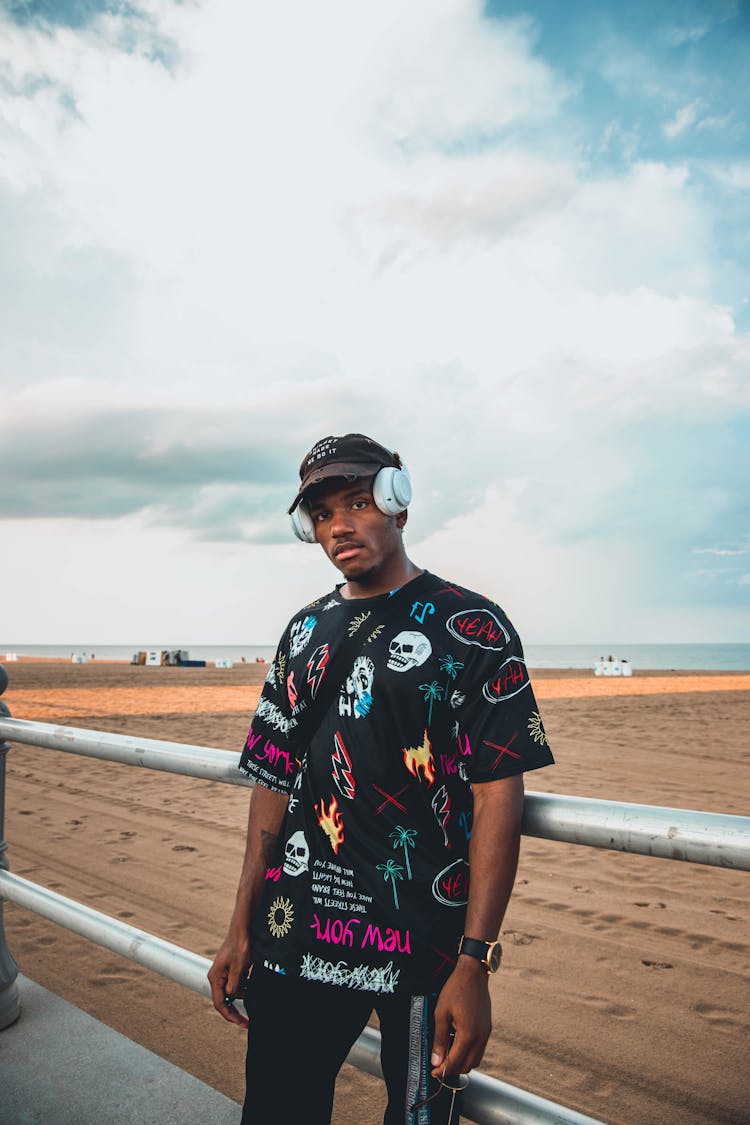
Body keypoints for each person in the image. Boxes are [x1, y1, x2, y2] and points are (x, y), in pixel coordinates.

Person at [208, 433, 554, 1124]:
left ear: (397, 502)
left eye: (360, 501)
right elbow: (272, 778)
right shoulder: (303, 631)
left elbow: (498, 795)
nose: (340, 524)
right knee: (277, 1109)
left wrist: (475, 961)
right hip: (297, 930)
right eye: (323, 511)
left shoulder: (473, 627)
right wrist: (239, 926)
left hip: (424, 950)